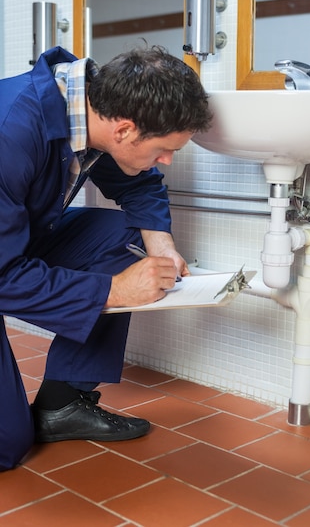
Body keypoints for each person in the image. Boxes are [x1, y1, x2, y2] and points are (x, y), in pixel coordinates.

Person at [0, 44, 212, 471]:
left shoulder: (92, 107)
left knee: (123, 241)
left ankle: (63, 404)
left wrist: (161, 243)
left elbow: (139, 182)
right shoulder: (11, 133)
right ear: (125, 131)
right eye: (164, 149)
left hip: (9, 243)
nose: (167, 161)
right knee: (6, 446)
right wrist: (114, 290)